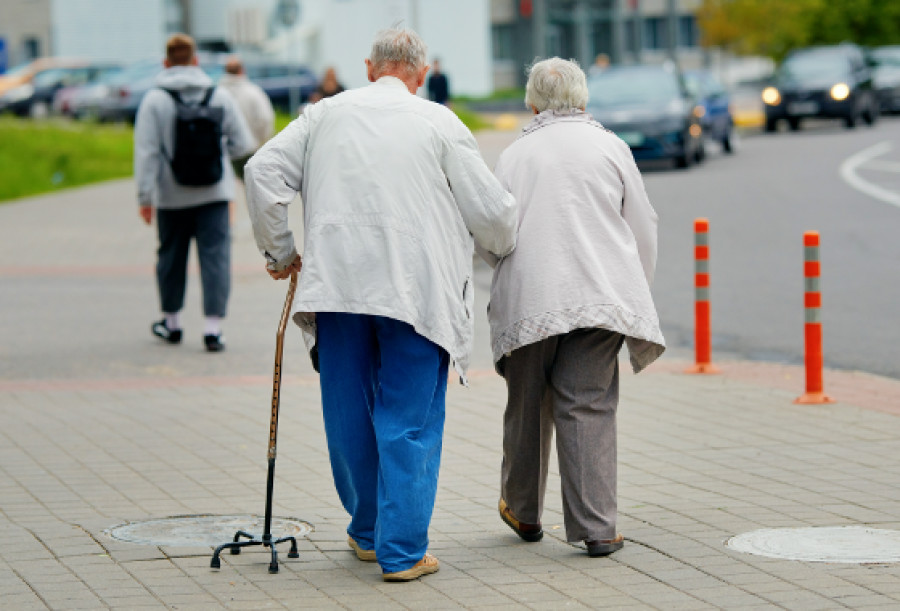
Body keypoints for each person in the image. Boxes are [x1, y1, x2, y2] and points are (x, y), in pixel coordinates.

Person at [244, 28, 517, 581]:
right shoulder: (438, 121)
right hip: (415, 290)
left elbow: (261, 171)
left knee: (348, 411)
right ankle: (402, 552)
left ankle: (368, 532)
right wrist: (503, 248)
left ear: (371, 68)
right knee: (409, 418)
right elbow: (491, 213)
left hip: (338, 285)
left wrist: (281, 252)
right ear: (419, 73)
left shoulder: (322, 116)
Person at [485, 57, 665, 558]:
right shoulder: (611, 146)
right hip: (601, 294)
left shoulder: (515, 155)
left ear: (533, 101)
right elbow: (643, 223)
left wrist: (498, 262)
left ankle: (523, 510)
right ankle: (598, 528)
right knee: (585, 401)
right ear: (583, 99)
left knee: (526, 400)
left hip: (531, 296)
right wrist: (634, 289)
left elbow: (493, 230)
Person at [134, 34, 255, 352]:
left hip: (171, 196)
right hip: (215, 194)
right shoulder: (219, 96)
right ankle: (212, 330)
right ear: (195, 60)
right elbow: (242, 143)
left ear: (166, 62)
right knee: (215, 258)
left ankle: (171, 324)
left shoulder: (154, 100)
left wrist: (145, 198)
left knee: (171, 258)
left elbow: (146, 153)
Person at [218, 55, 275, 180]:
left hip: (223, 152)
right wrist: (262, 140)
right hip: (250, 149)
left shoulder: (217, 94)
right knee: (251, 190)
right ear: (242, 70)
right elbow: (265, 119)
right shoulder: (253, 92)